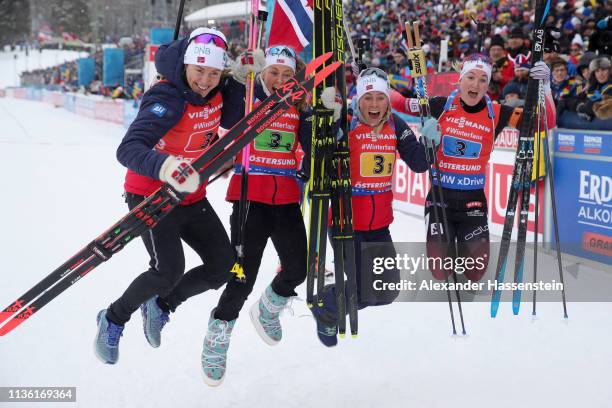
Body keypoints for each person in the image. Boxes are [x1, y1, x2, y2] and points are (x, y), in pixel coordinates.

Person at [94, 27, 245, 364]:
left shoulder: (220, 88)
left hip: (190, 195)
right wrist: (166, 167)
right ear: (186, 66)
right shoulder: (167, 96)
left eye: (213, 73)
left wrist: (239, 81)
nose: (205, 80)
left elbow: (236, 118)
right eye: (199, 71)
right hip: (151, 195)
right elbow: (129, 148)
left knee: (222, 267)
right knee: (167, 271)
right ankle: (113, 318)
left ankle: (161, 305)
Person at [200, 44, 314, 386]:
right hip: (251, 198)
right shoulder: (247, 95)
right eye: (274, 72)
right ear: (264, 73)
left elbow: (309, 146)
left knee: (298, 267)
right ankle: (217, 337)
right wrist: (236, 74)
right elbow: (215, 96)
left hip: (286, 198)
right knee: (241, 276)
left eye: (287, 74)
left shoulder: (298, 104)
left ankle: (269, 307)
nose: (280, 79)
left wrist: (321, 114)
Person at [404, 53, 555, 283]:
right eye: (471, 77)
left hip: (472, 203)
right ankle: (447, 248)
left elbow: (546, 122)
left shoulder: (498, 113)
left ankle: (459, 247)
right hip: (439, 200)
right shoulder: (440, 105)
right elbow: (398, 104)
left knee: (475, 273)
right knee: (440, 272)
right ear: (460, 79)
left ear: (488, 86)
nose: (476, 84)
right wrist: (367, 78)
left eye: (483, 80)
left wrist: (545, 87)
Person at [310, 67, 429, 348]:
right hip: (345, 221)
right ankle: (327, 308)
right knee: (361, 288)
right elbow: (315, 157)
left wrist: (429, 140)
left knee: (386, 291)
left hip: (379, 225)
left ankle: (328, 302)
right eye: (368, 98)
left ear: (388, 99)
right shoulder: (346, 121)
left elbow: (420, 163)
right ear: (357, 99)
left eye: (380, 97)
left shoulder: (396, 125)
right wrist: (324, 121)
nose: (374, 104)